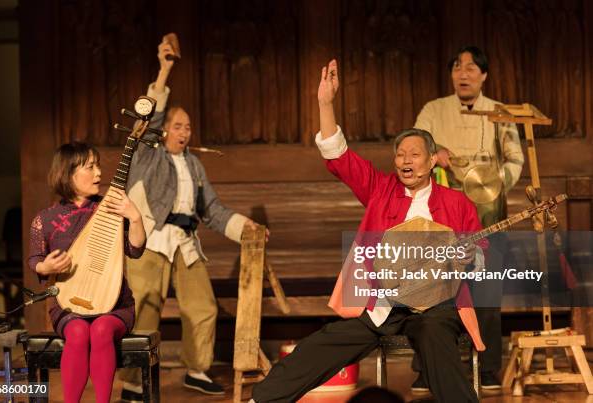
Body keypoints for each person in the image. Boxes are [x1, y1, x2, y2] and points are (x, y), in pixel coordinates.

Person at [249, 60, 485, 403]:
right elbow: (339, 157)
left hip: (435, 305)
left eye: (415, 154)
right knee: (324, 343)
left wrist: (470, 256)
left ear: (433, 160)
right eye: (400, 154)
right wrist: (325, 104)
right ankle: (262, 400)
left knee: (436, 338)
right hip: (384, 303)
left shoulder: (457, 202)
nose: (406, 160)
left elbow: (482, 255)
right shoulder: (380, 190)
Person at [120, 37, 266, 400]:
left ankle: (197, 369)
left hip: (185, 243)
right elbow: (148, 122)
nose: (185, 132)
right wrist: (165, 68)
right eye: (178, 125)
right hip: (149, 240)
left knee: (202, 306)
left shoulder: (195, 165)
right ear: (164, 129)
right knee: (145, 308)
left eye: (188, 127)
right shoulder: (147, 156)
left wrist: (243, 227)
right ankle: (135, 381)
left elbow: (211, 210)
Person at [412, 45, 524, 392]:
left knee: (487, 292)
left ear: (484, 75)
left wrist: (492, 183)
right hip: (442, 216)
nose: (464, 74)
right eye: (458, 68)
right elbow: (416, 147)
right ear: (451, 75)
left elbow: (515, 160)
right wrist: (435, 153)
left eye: (472, 68)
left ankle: (487, 367)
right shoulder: (433, 110)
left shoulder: (499, 112)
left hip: (488, 215)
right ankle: (426, 367)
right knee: (432, 291)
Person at [28, 142, 146, 403]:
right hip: (68, 305)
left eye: (98, 165)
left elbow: (134, 250)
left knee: (102, 329)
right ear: (68, 173)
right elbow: (35, 260)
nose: (99, 174)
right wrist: (46, 267)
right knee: (79, 332)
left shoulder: (111, 208)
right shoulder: (45, 219)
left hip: (115, 303)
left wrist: (135, 218)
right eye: (90, 167)